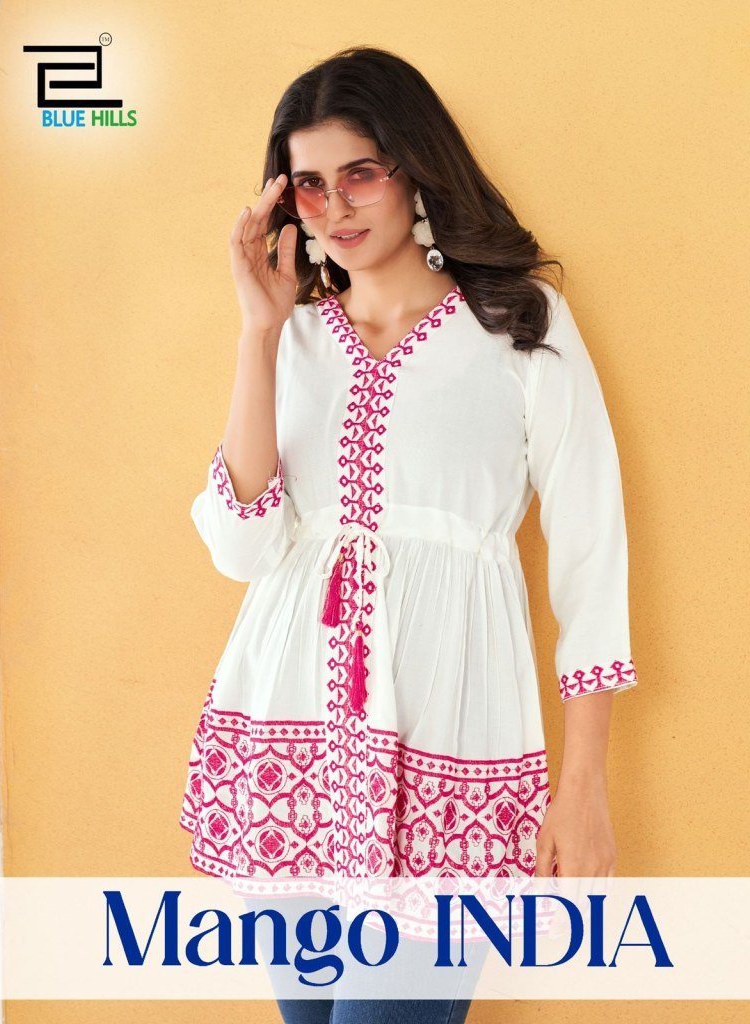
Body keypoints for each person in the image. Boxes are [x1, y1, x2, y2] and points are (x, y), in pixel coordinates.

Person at [179, 44, 638, 1023]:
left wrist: (584, 784)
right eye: (309, 185)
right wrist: (258, 330)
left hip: (448, 752)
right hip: (292, 747)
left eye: (360, 173)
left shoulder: (521, 325)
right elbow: (244, 549)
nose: (335, 208)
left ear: (414, 167)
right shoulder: (294, 339)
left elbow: (591, 550)